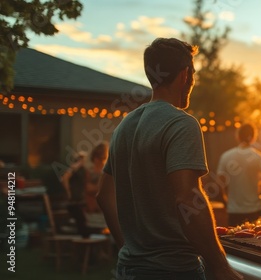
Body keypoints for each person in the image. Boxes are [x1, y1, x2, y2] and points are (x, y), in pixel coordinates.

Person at [96, 38, 242, 280]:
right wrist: (220, 267)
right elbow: (187, 198)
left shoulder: (124, 126)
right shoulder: (181, 123)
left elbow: (103, 195)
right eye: (193, 73)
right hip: (173, 270)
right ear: (186, 74)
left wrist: (128, 247)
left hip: (128, 269)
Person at [217, 123, 261, 226]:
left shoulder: (226, 156)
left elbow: (219, 182)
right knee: (258, 241)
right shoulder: (257, 156)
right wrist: (259, 190)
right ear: (253, 137)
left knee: (234, 240)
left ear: (238, 136)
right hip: (255, 210)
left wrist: (225, 200)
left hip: (234, 211)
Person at [61, 151, 90, 238]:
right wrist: (69, 192)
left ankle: (85, 238)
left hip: (81, 200)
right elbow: (64, 179)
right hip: (74, 201)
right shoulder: (73, 169)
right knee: (81, 220)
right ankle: (84, 239)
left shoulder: (83, 170)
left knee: (84, 220)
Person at [86, 141, 109, 213]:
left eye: (103, 158)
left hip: (104, 208)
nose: (101, 162)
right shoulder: (89, 172)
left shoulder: (107, 173)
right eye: (99, 158)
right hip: (91, 207)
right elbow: (87, 188)